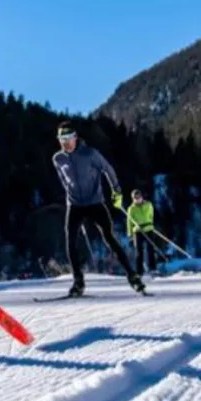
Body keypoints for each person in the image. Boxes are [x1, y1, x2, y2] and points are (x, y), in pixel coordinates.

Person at [51, 121, 145, 296]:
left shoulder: (90, 154)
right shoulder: (58, 158)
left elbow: (108, 170)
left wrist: (116, 191)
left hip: (95, 203)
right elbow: (64, 180)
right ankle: (78, 283)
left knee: (110, 238)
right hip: (75, 205)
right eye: (61, 139)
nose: (65, 143)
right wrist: (69, 196)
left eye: (68, 138)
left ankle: (133, 277)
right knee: (70, 241)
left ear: (75, 137)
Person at [126, 189, 164, 276]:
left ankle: (153, 268)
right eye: (135, 198)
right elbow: (129, 221)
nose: (137, 199)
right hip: (138, 231)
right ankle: (139, 271)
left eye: (138, 197)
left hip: (148, 229)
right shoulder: (131, 208)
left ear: (141, 197)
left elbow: (151, 215)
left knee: (151, 249)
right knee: (139, 251)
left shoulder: (148, 205)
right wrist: (130, 233)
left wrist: (150, 224)